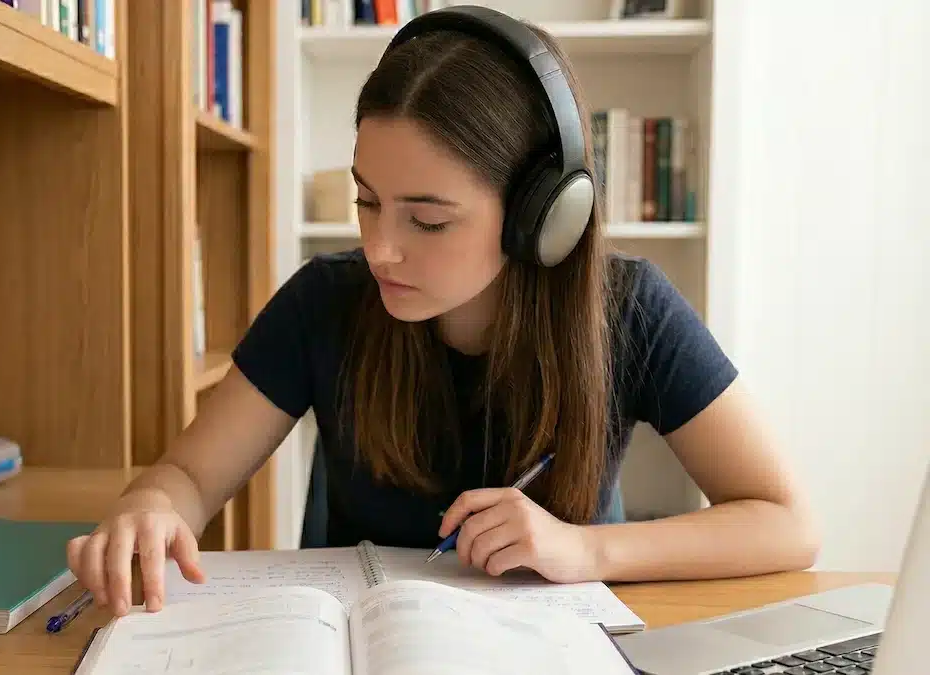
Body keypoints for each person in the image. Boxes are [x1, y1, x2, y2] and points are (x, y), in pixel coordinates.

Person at [67, 6, 820, 617]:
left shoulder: (629, 310)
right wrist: (152, 508)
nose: (380, 249)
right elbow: (191, 476)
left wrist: (585, 550)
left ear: (541, 216)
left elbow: (787, 520)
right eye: (366, 201)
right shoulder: (324, 301)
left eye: (427, 220)